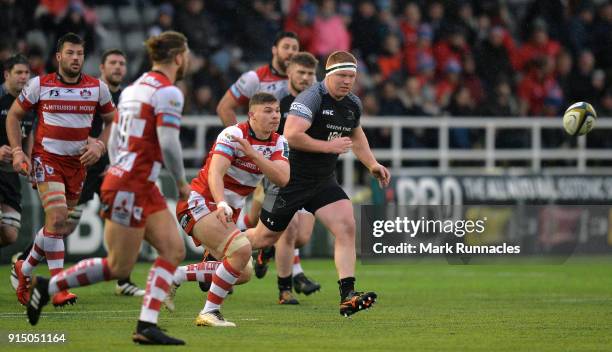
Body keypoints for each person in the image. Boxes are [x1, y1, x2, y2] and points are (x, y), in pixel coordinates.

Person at [25, 31, 191, 346]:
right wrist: (181, 182)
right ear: (179, 57)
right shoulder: (169, 92)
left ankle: (147, 324)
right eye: (188, 54)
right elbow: (169, 143)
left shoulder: (135, 88)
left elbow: (113, 134)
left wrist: (118, 164)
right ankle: (47, 286)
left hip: (135, 179)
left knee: (173, 249)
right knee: (118, 266)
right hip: (132, 182)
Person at [246, 51, 391, 317]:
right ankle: (219, 247)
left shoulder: (352, 103)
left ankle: (347, 294)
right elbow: (291, 135)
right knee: (262, 237)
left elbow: (356, 136)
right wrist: (329, 146)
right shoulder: (311, 98)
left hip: (322, 181)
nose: (347, 81)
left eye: (352, 76)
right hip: (288, 180)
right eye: (342, 75)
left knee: (346, 226)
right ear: (329, 74)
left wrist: (372, 164)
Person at [9, 33, 115, 308]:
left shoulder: (97, 88)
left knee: (57, 226)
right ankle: (57, 287)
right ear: (59, 57)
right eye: (70, 53)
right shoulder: (40, 85)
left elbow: (111, 121)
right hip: (47, 160)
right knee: (56, 218)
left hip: (77, 165)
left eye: (80, 53)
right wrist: (19, 151)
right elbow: (14, 115)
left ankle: (25, 268)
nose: (76, 58)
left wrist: (100, 146)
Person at [172, 92, 289, 327]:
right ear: (252, 115)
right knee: (241, 249)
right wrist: (221, 201)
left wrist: (254, 154)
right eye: (268, 111)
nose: (275, 115)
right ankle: (209, 312)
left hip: (227, 212)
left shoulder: (279, 141)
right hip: (201, 202)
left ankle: (175, 276)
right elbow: (216, 172)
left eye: (276, 110)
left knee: (243, 272)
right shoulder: (233, 134)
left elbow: (282, 178)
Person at [252, 52, 321, 305]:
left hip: (310, 178)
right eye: (300, 72)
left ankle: (264, 251)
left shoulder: (320, 104)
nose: (305, 78)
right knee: (288, 230)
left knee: (301, 236)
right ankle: (284, 290)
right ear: (289, 72)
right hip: (281, 175)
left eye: (310, 73)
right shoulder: (277, 104)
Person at [216, 31, 299, 126]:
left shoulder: (306, 80)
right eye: (286, 47)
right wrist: (239, 138)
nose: (290, 52)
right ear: (274, 50)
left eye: (294, 48)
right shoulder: (254, 78)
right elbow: (224, 108)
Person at [0, 55, 34, 249]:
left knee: (10, 235)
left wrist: (28, 157)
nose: (23, 77)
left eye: (26, 73)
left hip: (10, 174)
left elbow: (29, 132)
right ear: (7, 75)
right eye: (18, 72)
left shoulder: (30, 103)